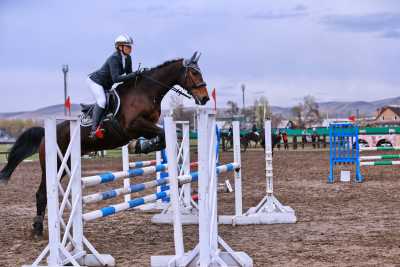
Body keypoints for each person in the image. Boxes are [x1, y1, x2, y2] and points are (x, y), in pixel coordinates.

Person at [87, 34, 139, 138]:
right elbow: (116, 78)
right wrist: (133, 75)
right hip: (95, 82)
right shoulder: (114, 58)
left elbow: (129, 75)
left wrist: (140, 76)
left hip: (106, 84)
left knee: (111, 102)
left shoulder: (128, 58)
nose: (130, 48)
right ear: (120, 47)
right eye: (128, 46)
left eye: (130, 46)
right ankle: (93, 130)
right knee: (102, 101)